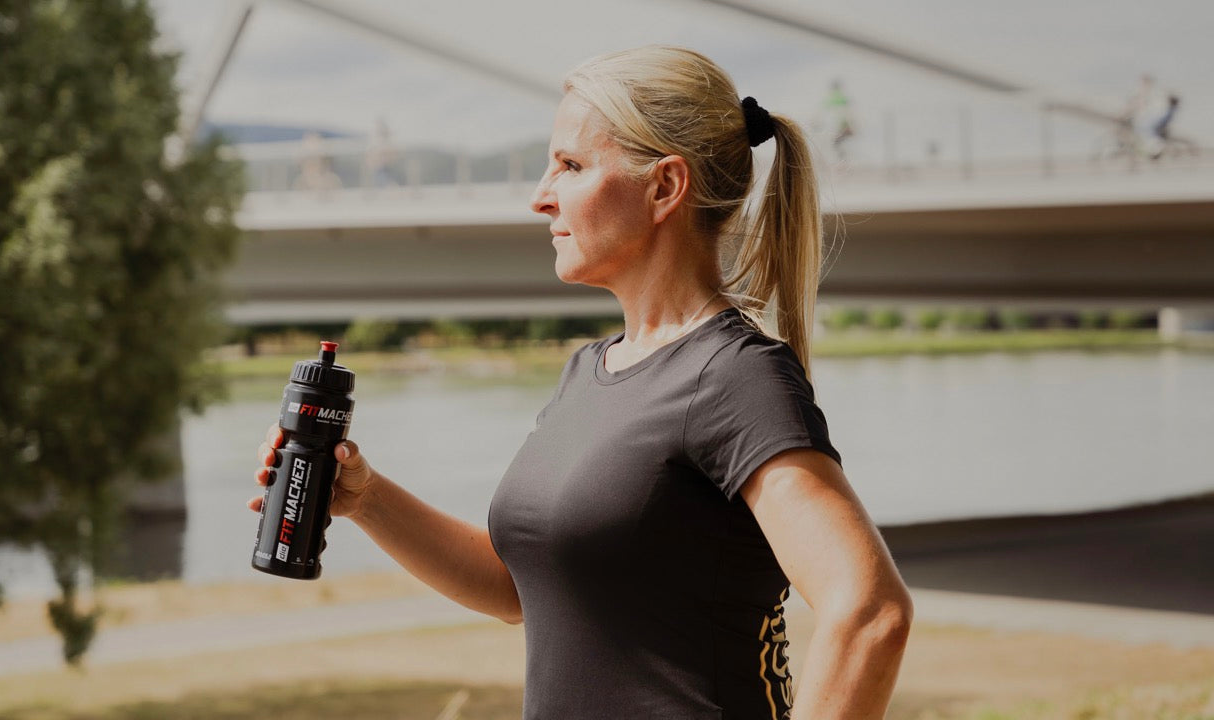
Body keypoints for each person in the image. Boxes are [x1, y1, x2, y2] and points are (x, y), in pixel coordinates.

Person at [252, 45, 912, 719]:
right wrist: (366, 499)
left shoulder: (734, 375)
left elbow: (868, 612)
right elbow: (520, 591)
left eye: (570, 165)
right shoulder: (587, 372)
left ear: (665, 187)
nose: (540, 196)